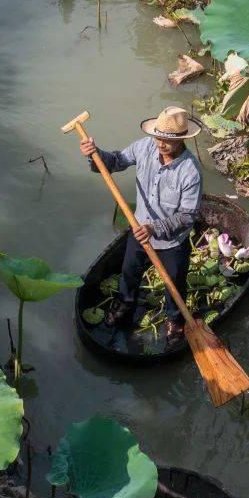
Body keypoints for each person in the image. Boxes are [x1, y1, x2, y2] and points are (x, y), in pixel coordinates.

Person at [80, 106, 203, 342]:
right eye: (158, 136)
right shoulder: (145, 147)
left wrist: (154, 229)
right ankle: (123, 307)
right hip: (139, 231)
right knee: (129, 274)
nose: (160, 143)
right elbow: (115, 161)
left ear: (181, 140)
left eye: (167, 140)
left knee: (174, 284)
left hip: (171, 241)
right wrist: (94, 153)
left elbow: (188, 216)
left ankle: (174, 321)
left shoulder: (190, 172)